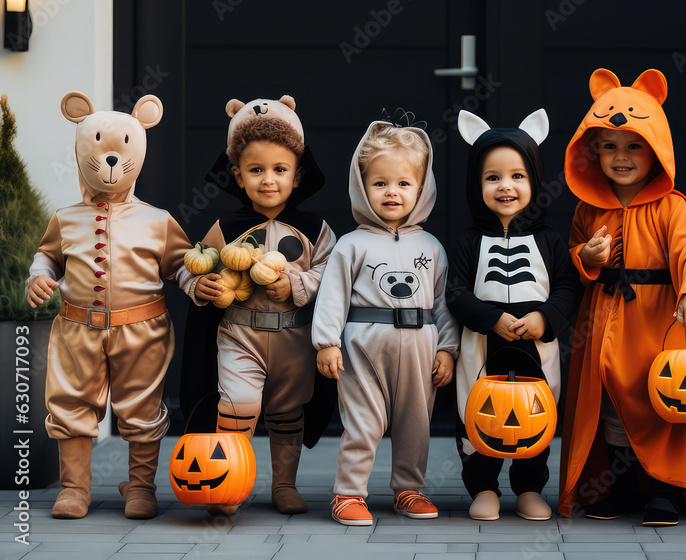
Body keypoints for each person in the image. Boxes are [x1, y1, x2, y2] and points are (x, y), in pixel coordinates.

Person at [557, 68, 686, 526]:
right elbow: (573, 256)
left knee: (663, 398)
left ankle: (664, 491)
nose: (621, 157)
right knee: (610, 403)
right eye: (609, 146)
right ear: (593, 151)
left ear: (657, 149)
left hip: (659, 321)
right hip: (604, 320)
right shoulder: (589, 207)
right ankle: (621, 485)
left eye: (634, 146)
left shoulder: (673, 206)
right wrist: (585, 256)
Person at [26, 93, 194, 520]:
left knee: (142, 407)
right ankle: (74, 489)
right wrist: (38, 276)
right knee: (71, 404)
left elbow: (181, 265)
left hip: (143, 330)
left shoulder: (158, 220)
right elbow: (48, 257)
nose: (112, 162)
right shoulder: (65, 218)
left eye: (122, 151)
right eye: (99, 149)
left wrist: (197, 284)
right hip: (76, 329)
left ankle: (140, 488)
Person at [189, 96, 334, 515]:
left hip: (294, 337)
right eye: (256, 170)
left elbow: (332, 274)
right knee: (238, 405)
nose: (268, 180)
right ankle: (227, 483)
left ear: (297, 174)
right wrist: (200, 284)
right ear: (237, 174)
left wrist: (296, 283)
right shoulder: (226, 228)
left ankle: (284, 485)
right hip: (240, 334)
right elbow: (195, 261)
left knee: (288, 411)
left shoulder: (315, 230)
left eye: (279, 170)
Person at [312, 118, 459, 527]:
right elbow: (333, 295)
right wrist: (326, 342)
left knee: (416, 423)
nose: (392, 192)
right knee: (363, 420)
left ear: (421, 188)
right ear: (363, 188)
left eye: (403, 183)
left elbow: (443, 302)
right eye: (380, 183)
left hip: (421, 346)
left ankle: (409, 488)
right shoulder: (351, 244)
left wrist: (448, 348)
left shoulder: (431, 247)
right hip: (362, 348)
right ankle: (348, 493)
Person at [447, 109, 577, 522]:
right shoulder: (468, 241)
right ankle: (483, 486)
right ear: (477, 184)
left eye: (517, 176)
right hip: (483, 343)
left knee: (535, 412)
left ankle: (529, 487)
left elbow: (568, 287)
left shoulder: (549, 240)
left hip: (536, 344)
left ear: (535, 181)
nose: (506, 186)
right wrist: (489, 318)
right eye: (493, 177)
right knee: (477, 411)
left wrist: (545, 318)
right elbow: (455, 291)